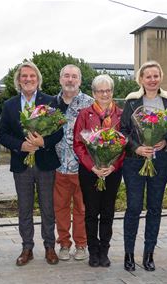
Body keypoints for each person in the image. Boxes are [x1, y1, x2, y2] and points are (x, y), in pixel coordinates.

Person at [0, 61, 62, 266]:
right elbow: (2, 134)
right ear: (18, 80)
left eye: (32, 76)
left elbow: (59, 131)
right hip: (22, 163)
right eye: (24, 76)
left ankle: (50, 247)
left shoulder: (50, 102)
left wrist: (43, 142)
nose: (28, 79)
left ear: (38, 79)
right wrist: (21, 146)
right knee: (24, 208)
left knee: (47, 207)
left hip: (45, 163)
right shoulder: (9, 105)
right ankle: (27, 248)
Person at [120, 61, 167, 272]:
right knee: (133, 208)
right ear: (141, 79)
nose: (152, 79)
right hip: (135, 163)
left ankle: (149, 254)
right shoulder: (132, 102)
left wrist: (166, 142)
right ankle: (128, 254)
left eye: (155, 75)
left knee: (155, 208)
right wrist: (136, 148)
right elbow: (123, 130)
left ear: (160, 77)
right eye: (148, 76)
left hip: (160, 161)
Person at [73, 74, 125, 268]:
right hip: (90, 171)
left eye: (108, 90)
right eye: (100, 91)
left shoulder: (120, 114)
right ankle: (93, 252)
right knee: (91, 212)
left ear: (112, 92)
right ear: (94, 93)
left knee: (108, 212)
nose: (105, 94)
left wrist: (112, 165)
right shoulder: (84, 114)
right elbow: (78, 144)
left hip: (112, 171)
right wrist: (93, 166)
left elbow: (124, 145)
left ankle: (104, 251)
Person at [52, 64, 94, 261]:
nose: (70, 80)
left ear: (80, 80)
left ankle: (81, 244)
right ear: (61, 79)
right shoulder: (51, 104)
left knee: (81, 209)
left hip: (82, 167)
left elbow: (97, 136)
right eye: (66, 76)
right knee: (60, 208)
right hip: (58, 166)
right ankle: (63, 244)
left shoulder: (90, 104)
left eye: (74, 77)